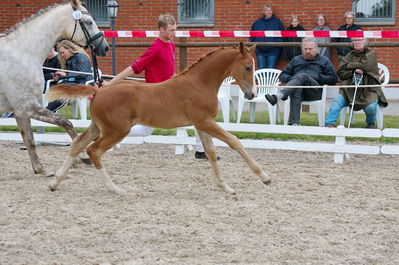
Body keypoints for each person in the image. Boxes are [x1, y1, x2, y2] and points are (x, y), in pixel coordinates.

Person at [103, 14, 210, 159]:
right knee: (145, 131)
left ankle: (201, 150)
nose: (174, 33)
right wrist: (110, 83)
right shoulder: (155, 48)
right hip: (156, 97)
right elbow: (133, 67)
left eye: (175, 30)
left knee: (198, 113)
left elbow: (169, 71)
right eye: (171, 30)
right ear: (161, 30)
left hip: (171, 92)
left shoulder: (171, 45)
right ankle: (110, 133)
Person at [265, 37, 338, 126]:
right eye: (305, 49)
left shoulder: (324, 60)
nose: (307, 51)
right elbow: (282, 75)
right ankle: (294, 124)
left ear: (316, 48)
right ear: (302, 49)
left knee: (303, 75)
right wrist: (295, 80)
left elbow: (333, 78)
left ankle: (279, 95)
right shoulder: (296, 59)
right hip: (298, 91)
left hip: (314, 92)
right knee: (297, 86)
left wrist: (317, 76)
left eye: (310, 49)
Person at [325, 37, 388, 128]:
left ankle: (370, 123)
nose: (357, 42)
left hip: (368, 89)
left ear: (365, 42)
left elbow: (366, 66)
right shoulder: (349, 55)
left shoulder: (371, 53)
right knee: (337, 102)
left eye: (359, 40)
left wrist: (349, 65)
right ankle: (329, 124)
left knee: (370, 108)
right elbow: (340, 72)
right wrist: (353, 71)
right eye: (355, 40)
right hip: (349, 89)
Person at [46, 39, 93, 112]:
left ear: (69, 49)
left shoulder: (81, 56)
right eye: (60, 53)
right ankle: (49, 111)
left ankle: (48, 111)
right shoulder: (68, 60)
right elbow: (69, 76)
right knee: (55, 89)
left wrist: (66, 74)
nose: (62, 55)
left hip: (83, 84)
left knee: (62, 92)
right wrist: (59, 77)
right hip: (73, 83)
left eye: (63, 52)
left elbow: (83, 73)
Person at [250, 4, 284, 69]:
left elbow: (282, 35)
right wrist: (257, 43)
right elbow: (252, 35)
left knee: (270, 69)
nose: (268, 12)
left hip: (273, 51)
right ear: (264, 12)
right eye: (266, 10)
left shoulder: (277, 22)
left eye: (270, 10)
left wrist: (276, 44)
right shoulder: (257, 23)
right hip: (260, 51)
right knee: (261, 68)